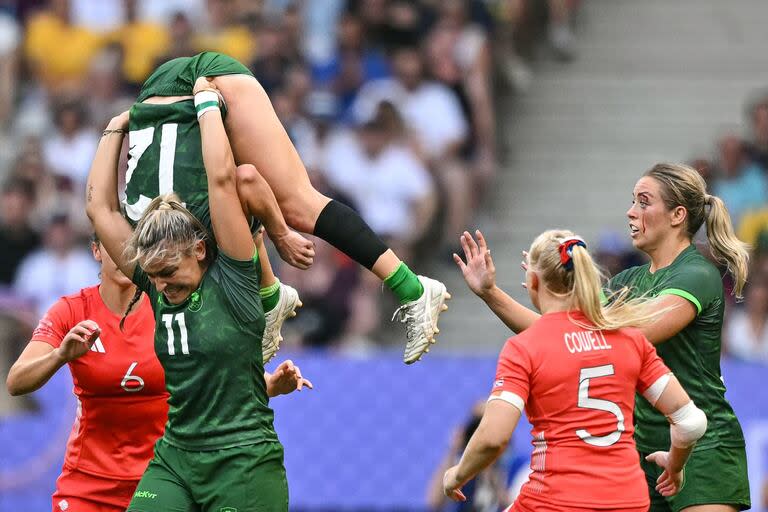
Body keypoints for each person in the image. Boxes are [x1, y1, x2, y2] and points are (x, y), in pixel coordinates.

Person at [453, 163, 751, 511]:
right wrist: (490, 293)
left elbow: (629, 337)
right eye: (632, 201)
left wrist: (557, 302)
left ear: (677, 215)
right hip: (641, 453)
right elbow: (561, 338)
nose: (631, 211)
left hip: (703, 448)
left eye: (643, 202)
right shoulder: (629, 280)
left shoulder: (697, 274)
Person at [126, 52, 450, 364]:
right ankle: (272, 298)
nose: (170, 287)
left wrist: (281, 236)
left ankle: (415, 290)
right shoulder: (148, 240)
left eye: (173, 283)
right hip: (160, 105)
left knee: (299, 208)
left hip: (206, 83)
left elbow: (245, 177)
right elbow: (97, 208)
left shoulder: (186, 224)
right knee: (238, 213)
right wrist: (115, 128)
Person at [83, 88, 299, 510]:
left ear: (199, 250)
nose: (160, 285)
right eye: (154, 276)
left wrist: (207, 108)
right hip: (176, 456)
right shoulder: (156, 282)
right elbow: (100, 210)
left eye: (168, 273)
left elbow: (223, 180)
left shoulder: (234, 278)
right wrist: (116, 126)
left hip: (243, 458)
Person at [5, 232, 310, 512]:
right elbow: (17, 381)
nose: (126, 256)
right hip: (88, 486)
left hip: (164, 481)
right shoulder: (71, 310)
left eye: (133, 248)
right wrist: (60, 356)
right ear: (97, 251)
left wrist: (269, 385)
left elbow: (210, 383)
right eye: (115, 246)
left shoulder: (171, 306)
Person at [444, 230, 707, 511]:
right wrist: (675, 464)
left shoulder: (525, 347)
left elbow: (493, 438)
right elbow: (690, 422)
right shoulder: (630, 341)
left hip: (554, 501)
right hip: (628, 501)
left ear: (532, 280)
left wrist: (456, 475)